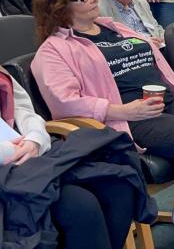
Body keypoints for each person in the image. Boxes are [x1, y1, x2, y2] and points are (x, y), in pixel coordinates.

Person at [30, 0, 174, 249]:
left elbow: (163, 71)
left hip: (162, 99)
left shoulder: (113, 27)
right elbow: (64, 102)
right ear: (59, 7)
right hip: (125, 114)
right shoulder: (54, 51)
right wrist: (122, 111)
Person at [0, 65, 149, 249]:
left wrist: (35, 139)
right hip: (8, 165)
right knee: (81, 206)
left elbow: (23, 110)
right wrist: (9, 151)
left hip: (30, 151)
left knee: (117, 184)